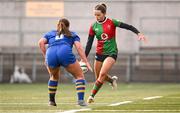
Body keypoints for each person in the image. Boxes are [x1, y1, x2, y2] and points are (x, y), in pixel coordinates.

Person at [85, 3, 147, 103]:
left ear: (104, 13)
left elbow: (128, 26)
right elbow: (89, 43)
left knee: (102, 74)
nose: (96, 17)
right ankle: (111, 80)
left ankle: (91, 96)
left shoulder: (112, 22)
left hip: (111, 53)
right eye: (95, 15)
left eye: (98, 15)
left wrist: (138, 33)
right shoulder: (93, 26)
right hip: (99, 53)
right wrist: (84, 58)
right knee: (98, 78)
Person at [38, 18, 92, 106]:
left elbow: (40, 43)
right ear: (68, 26)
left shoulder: (51, 33)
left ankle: (51, 101)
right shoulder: (72, 34)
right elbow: (79, 47)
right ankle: (81, 101)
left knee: (53, 77)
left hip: (51, 52)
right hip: (64, 51)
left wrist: (45, 57)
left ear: (57, 25)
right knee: (79, 76)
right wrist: (86, 61)